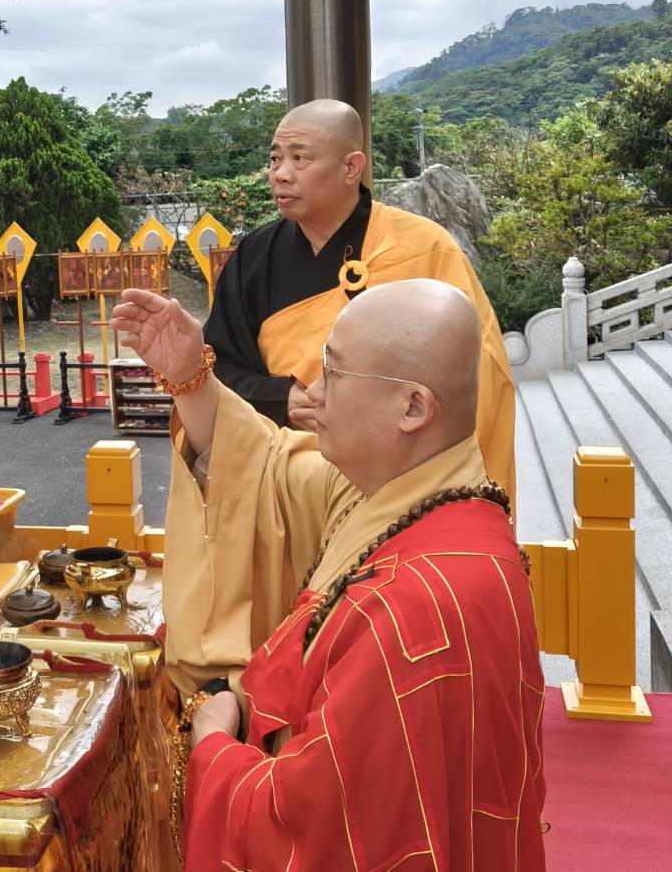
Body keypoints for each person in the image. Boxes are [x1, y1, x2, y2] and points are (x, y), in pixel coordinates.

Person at [111, 280, 545, 871]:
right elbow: (262, 468)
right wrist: (191, 376)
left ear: (413, 408)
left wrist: (213, 744)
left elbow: (310, 828)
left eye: (334, 373)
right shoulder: (418, 495)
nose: (311, 392)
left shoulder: (410, 609)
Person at [202, 99, 516, 497]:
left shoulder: (422, 248)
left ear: (351, 167)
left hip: (404, 484)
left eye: (300, 158)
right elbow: (217, 363)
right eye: (275, 159)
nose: (280, 174)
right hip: (291, 480)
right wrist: (281, 397)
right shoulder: (254, 257)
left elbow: (476, 370)